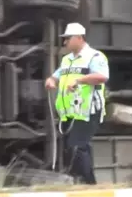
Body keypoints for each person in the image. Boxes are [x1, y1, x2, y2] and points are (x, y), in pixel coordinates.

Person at [44, 22, 109, 184]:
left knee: (78, 146)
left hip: (88, 110)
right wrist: (51, 80)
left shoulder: (94, 57)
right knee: (75, 148)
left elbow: (102, 76)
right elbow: (56, 76)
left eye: (67, 38)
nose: (65, 42)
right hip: (70, 112)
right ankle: (82, 182)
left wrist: (79, 80)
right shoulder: (67, 60)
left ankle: (88, 183)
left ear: (79, 38)